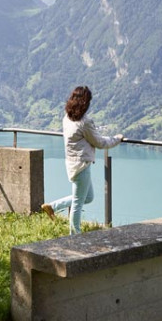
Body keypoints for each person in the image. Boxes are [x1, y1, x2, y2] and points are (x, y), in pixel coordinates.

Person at [41, 86, 122, 234]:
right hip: (82, 166)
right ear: (85, 103)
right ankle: (75, 236)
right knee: (78, 203)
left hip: (72, 164)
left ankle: (53, 206)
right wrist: (117, 139)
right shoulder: (84, 122)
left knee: (88, 197)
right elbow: (100, 142)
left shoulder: (66, 118)